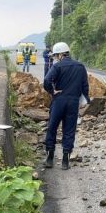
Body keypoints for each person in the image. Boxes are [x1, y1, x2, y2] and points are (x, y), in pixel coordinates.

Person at [43, 42, 90, 170]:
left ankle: (50, 158)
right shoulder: (80, 66)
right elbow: (85, 86)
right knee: (69, 129)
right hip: (73, 102)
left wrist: (52, 91)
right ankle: (65, 161)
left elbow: (47, 81)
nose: (56, 58)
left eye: (56, 55)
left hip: (59, 100)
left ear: (60, 54)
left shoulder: (57, 66)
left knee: (52, 127)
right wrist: (84, 101)